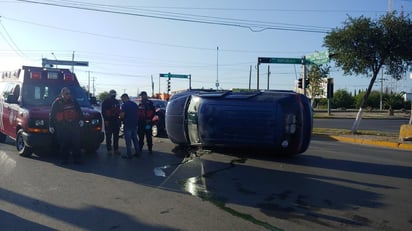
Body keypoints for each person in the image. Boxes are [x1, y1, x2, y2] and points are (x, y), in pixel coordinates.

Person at [49, 87, 84, 165]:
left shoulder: (73, 101)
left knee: (76, 143)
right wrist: (51, 125)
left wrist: (81, 120)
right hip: (62, 126)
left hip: (74, 125)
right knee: (64, 144)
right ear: (62, 94)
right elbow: (52, 115)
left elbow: (79, 110)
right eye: (66, 93)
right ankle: (63, 159)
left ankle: (77, 159)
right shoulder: (57, 103)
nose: (68, 95)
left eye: (69, 93)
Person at [119, 93, 140, 159]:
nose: (122, 100)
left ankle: (129, 155)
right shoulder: (134, 104)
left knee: (128, 141)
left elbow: (122, 115)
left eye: (122, 99)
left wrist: (120, 118)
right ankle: (138, 153)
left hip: (128, 124)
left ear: (125, 98)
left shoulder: (124, 105)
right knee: (135, 139)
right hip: (135, 124)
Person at [101, 89, 121, 155]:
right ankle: (109, 149)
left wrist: (119, 120)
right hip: (108, 121)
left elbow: (119, 111)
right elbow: (103, 111)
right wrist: (106, 120)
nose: (113, 94)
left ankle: (116, 149)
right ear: (109, 94)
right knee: (108, 136)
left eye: (114, 93)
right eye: (112, 93)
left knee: (116, 136)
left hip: (116, 120)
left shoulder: (117, 101)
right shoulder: (106, 101)